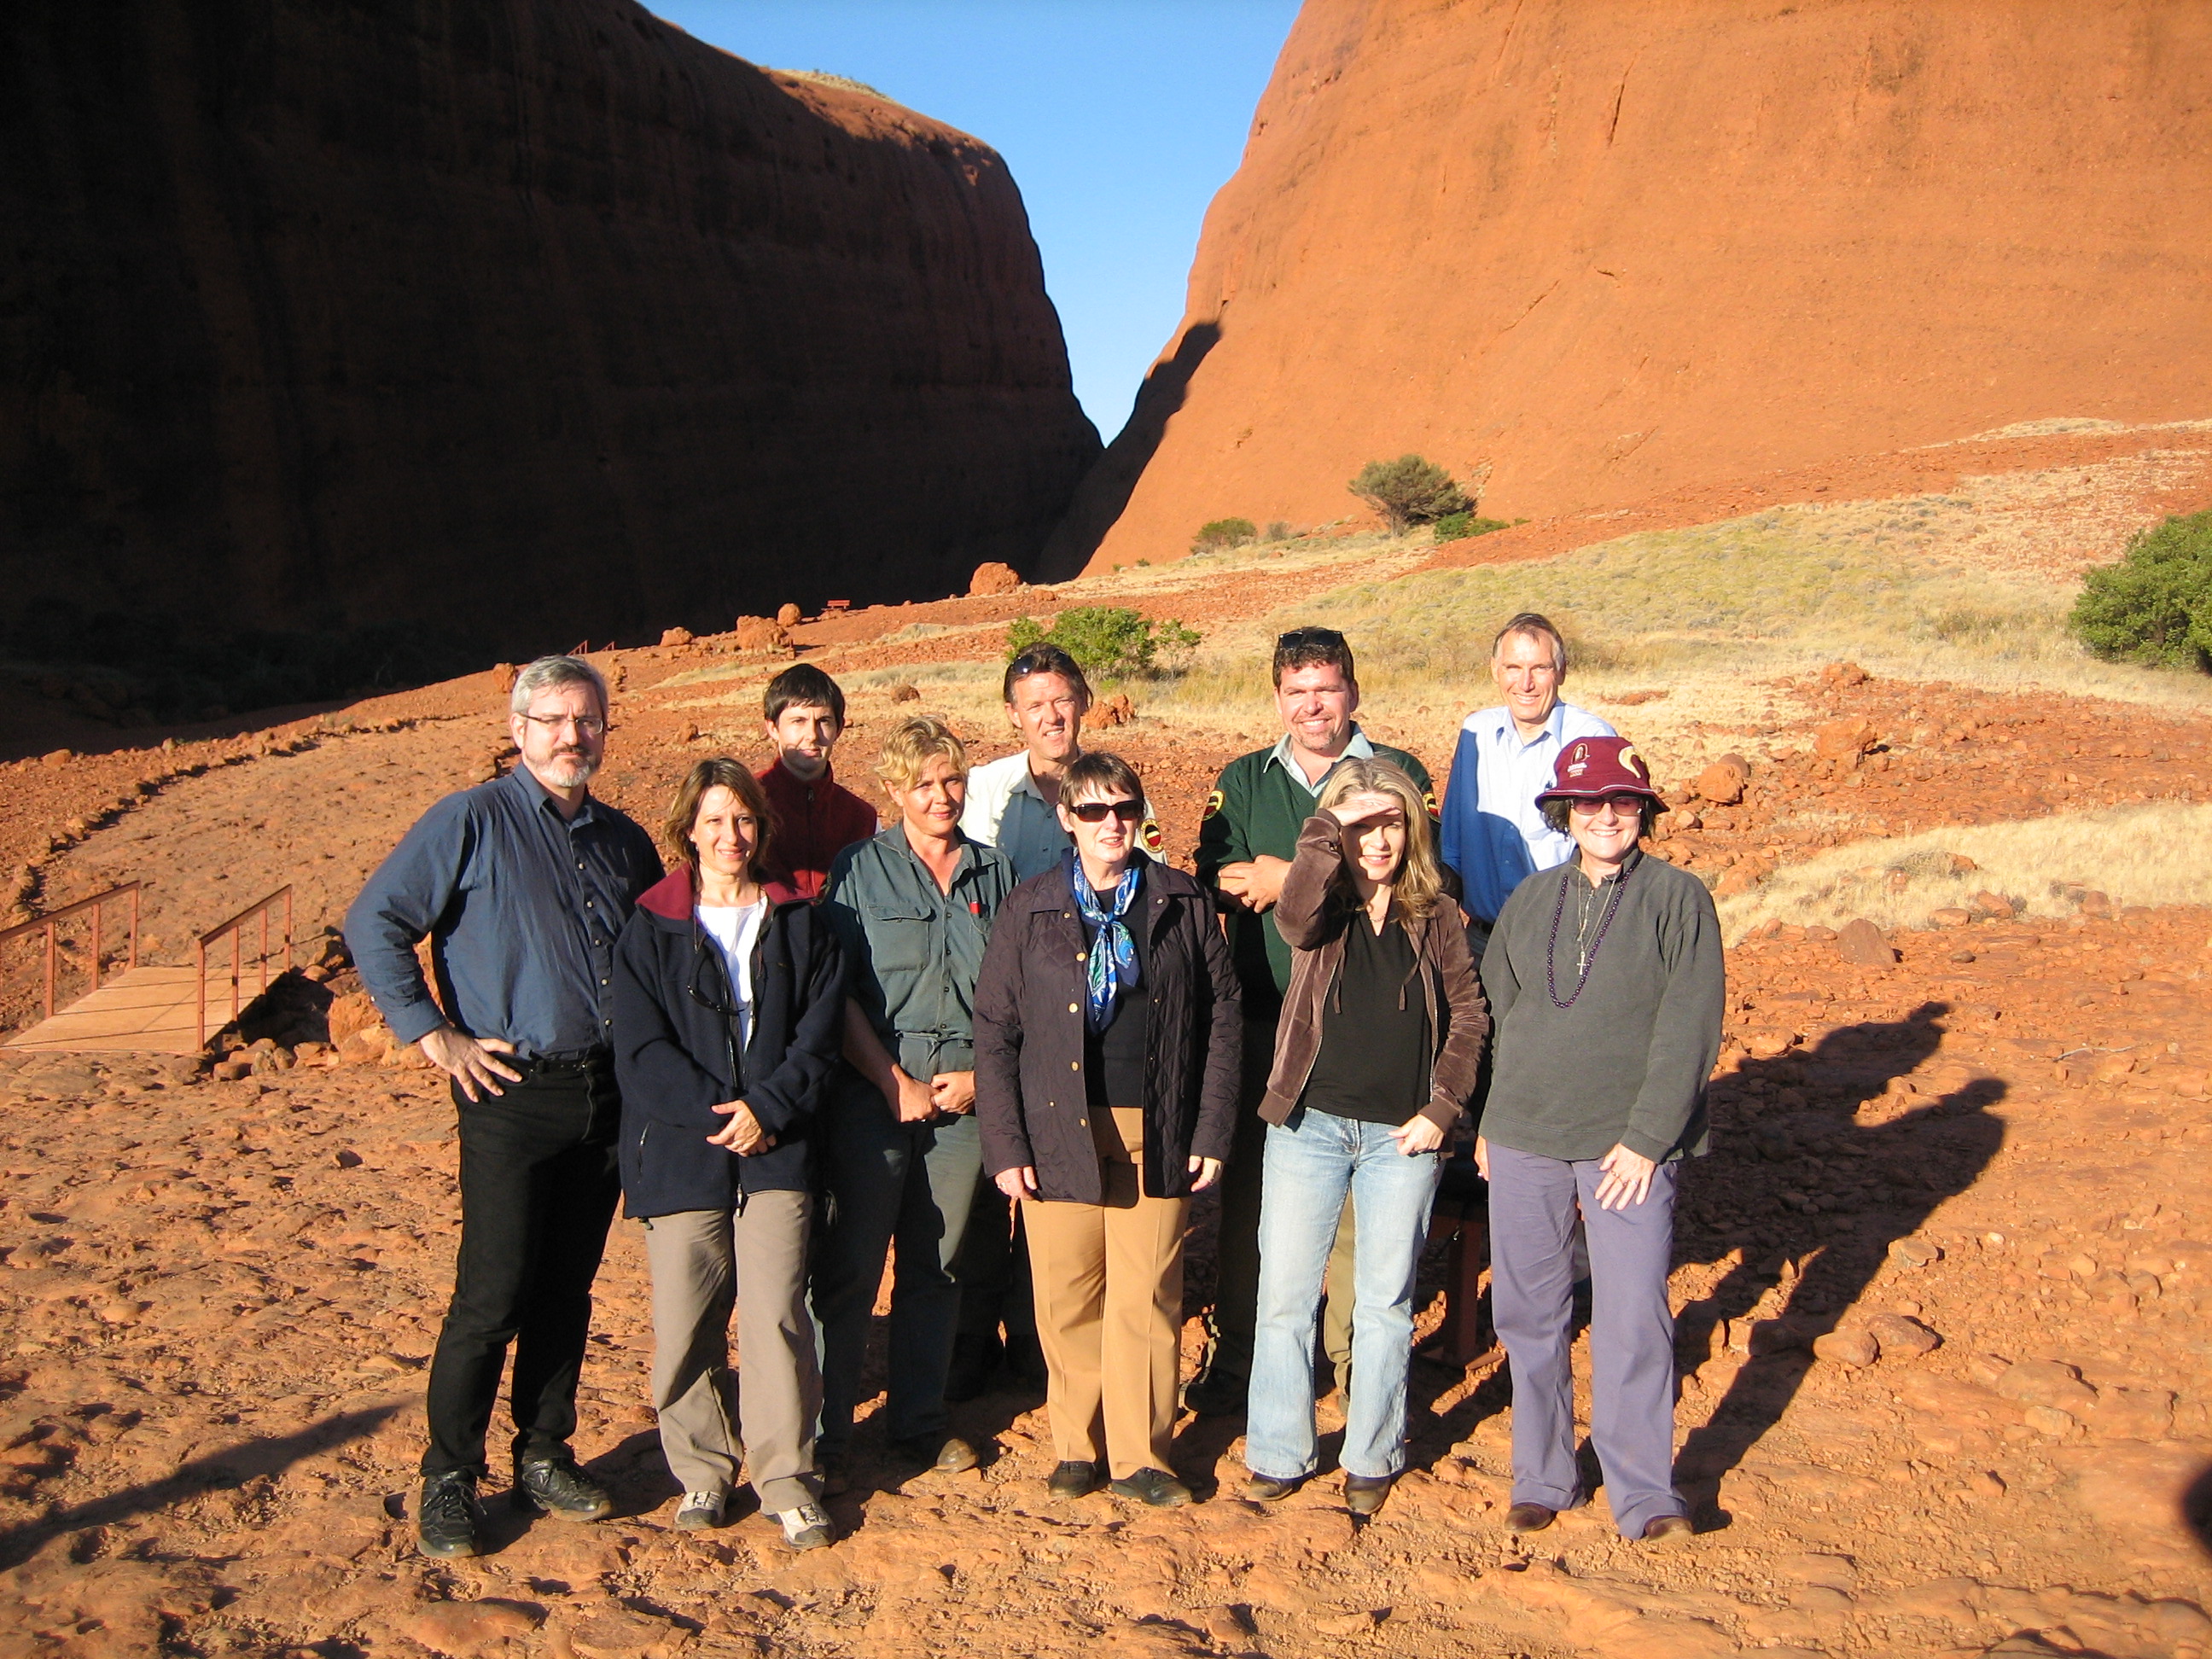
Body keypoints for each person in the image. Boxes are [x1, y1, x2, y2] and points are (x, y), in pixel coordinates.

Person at [345, 655, 663, 1559]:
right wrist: (433, 1034)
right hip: (509, 1092)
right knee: (491, 1293)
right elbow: (374, 921)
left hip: (604, 1096)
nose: (573, 737)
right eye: (554, 721)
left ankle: (543, 1452)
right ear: (520, 731)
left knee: (567, 1286)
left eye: (587, 720)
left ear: (604, 729)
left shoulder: (623, 841)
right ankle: (449, 1475)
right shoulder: (470, 821)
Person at [974, 752, 1241, 1508]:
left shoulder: (1180, 900)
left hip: (1156, 1122)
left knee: (1148, 1293)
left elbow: (1221, 1022)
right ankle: (1075, 1446)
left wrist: (1211, 1129)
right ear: (1067, 819)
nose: (1110, 824)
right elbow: (994, 1031)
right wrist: (1006, 1146)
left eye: (1123, 808)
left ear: (1139, 813)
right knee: (1066, 1294)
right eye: (1092, 811)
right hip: (1057, 1125)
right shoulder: (1029, 908)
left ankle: (1143, 1456)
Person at [1476, 736, 1722, 1545]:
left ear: (1643, 812)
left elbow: (1690, 1027)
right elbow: (1499, 1016)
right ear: (1564, 812)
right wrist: (1489, 1123)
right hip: (1523, 1137)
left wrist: (1649, 1139)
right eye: (1589, 803)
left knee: (1633, 1315)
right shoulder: (1531, 899)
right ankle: (1543, 1475)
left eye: (1622, 802)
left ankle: (1645, 1493)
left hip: (1627, 1148)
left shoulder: (1678, 898)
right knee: (1529, 1313)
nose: (1606, 815)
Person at [1190, 626, 1433, 1415]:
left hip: (1370, 1024)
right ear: (1277, 699)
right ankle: (1243, 1357)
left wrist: (1285, 875)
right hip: (1266, 1017)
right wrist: (1259, 882)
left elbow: (1423, 880)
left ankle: (1353, 1360)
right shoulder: (1244, 781)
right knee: (1254, 1198)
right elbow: (1215, 881)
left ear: (1352, 693)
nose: (1312, 706)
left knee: (1360, 1205)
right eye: (1297, 692)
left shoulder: (1398, 776)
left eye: (1326, 689)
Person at [1239, 761, 1487, 1515]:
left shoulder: (1437, 912)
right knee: (1284, 1296)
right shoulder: (1321, 903)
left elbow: (1470, 1015)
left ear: (1411, 825)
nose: (1376, 838)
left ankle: (1371, 1454)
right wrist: (1329, 826)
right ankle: (1280, 1452)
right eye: (1359, 824)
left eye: (1390, 821)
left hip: (1400, 1139)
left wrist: (1442, 1109)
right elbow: (1291, 919)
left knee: (1385, 1303)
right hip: (1308, 1126)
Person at [610, 760, 846, 1551]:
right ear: (688, 829)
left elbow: (818, 1033)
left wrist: (767, 1109)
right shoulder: (650, 925)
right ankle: (705, 1472)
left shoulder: (799, 918)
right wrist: (724, 1114)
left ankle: (786, 1477)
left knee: (779, 1315)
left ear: (761, 827)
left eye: (743, 820)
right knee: (686, 1320)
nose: (730, 836)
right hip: (683, 1151)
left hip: (777, 1148)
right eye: (714, 821)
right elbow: (640, 1049)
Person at [812, 715, 1016, 1486]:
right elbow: (833, 994)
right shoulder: (859, 868)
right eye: (923, 783)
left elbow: (1011, 996)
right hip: (874, 1094)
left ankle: (918, 1427)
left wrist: (980, 1082)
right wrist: (888, 1080)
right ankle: (826, 1439)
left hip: (963, 1099)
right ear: (894, 789)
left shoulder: (993, 873)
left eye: (951, 779)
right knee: (852, 1267)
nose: (941, 796)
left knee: (939, 1267)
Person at [952, 643, 1157, 1400]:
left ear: (1084, 703)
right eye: (1033, 703)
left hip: (1087, 1034)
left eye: (1062, 700)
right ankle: (971, 1341)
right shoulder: (985, 792)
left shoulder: (1115, 791)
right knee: (991, 1188)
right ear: (1012, 714)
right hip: (1003, 1013)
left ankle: (1040, 1346)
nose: (1049, 715)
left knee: (1058, 1191)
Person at [1439, 613, 1615, 950]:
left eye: (1540, 668)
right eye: (1513, 668)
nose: (1525, 683)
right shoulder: (1477, 733)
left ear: (1561, 671)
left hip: (1560, 943)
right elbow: (1453, 842)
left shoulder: (1591, 739)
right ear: (1495, 670)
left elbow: (1609, 852)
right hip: (1483, 942)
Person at [755, 664, 877, 900]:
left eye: (823, 721)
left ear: (839, 728)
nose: (812, 735)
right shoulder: (746, 803)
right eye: (798, 721)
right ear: (773, 728)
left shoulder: (860, 817)